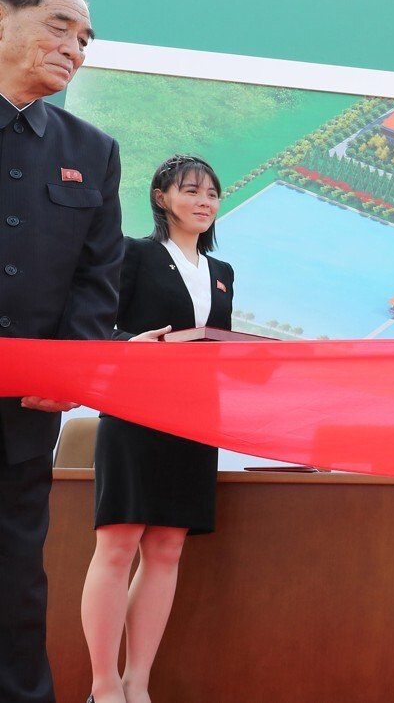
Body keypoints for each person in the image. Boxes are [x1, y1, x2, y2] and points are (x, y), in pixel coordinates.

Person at [0, 0, 122, 703]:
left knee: (16, 578)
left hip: (22, 421)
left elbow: (96, 279)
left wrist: (71, 368)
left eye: (85, 38)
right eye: (59, 25)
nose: (75, 47)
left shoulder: (90, 152)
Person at [80, 155, 234, 703]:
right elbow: (100, 323)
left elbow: (218, 343)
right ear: (160, 197)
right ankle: (102, 686)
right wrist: (130, 346)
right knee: (119, 543)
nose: (204, 202)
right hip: (135, 412)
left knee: (167, 546)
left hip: (194, 418)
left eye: (213, 194)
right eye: (191, 191)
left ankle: (137, 683)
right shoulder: (134, 254)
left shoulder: (221, 272)